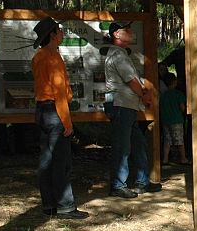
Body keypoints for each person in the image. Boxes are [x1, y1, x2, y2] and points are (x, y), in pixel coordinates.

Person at [31, 18, 89, 220]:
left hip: (41, 110)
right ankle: (65, 205)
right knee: (61, 161)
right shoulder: (53, 58)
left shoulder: (38, 56)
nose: (63, 33)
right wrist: (67, 122)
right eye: (60, 30)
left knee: (46, 160)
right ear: (53, 35)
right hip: (55, 111)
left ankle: (49, 204)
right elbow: (59, 93)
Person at [103, 21, 161, 198]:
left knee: (137, 144)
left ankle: (142, 182)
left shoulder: (121, 54)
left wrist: (143, 96)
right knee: (123, 147)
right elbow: (131, 81)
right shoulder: (118, 55)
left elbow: (133, 80)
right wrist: (145, 96)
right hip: (121, 105)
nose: (130, 32)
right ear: (116, 35)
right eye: (126, 30)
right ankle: (117, 185)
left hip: (127, 106)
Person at [160, 72, 189, 164]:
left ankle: (165, 159)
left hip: (165, 120)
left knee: (167, 140)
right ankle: (183, 158)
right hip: (177, 120)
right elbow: (182, 107)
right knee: (179, 140)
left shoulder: (163, 95)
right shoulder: (178, 94)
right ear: (175, 82)